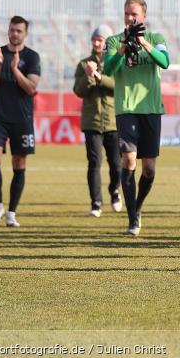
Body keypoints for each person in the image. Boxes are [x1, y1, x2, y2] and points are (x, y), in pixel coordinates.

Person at [103, 0, 169, 237]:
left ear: (143, 17)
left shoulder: (156, 39)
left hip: (151, 109)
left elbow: (165, 62)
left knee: (149, 169)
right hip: (127, 108)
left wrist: (142, 43)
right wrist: (123, 47)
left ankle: (137, 207)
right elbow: (108, 70)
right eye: (127, 14)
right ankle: (132, 219)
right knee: (129, 161)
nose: (130, 18)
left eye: (135, 15)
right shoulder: (113, 41)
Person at [0, 16, 41, 227]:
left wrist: (16, 69)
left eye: (18, 31)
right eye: (11, 30)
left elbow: (31, 88)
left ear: (25, 33)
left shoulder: (33, 57)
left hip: (22, 118)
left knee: (19, 163)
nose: (14, 34)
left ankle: (12, 213)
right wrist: (0, 66)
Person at [73, 24, 122, 218]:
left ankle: (115, 191)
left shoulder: (116, 62)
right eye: (95, 39)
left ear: (108, 42)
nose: (96, 43)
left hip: (113, 120)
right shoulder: (83, 64)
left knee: (117, 164)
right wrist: (88, 76)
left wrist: (99, 76)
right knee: (94, 162)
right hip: (92, 121)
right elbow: (78, 90)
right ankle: (96, 203)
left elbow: (118, 87)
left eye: (100, 39)